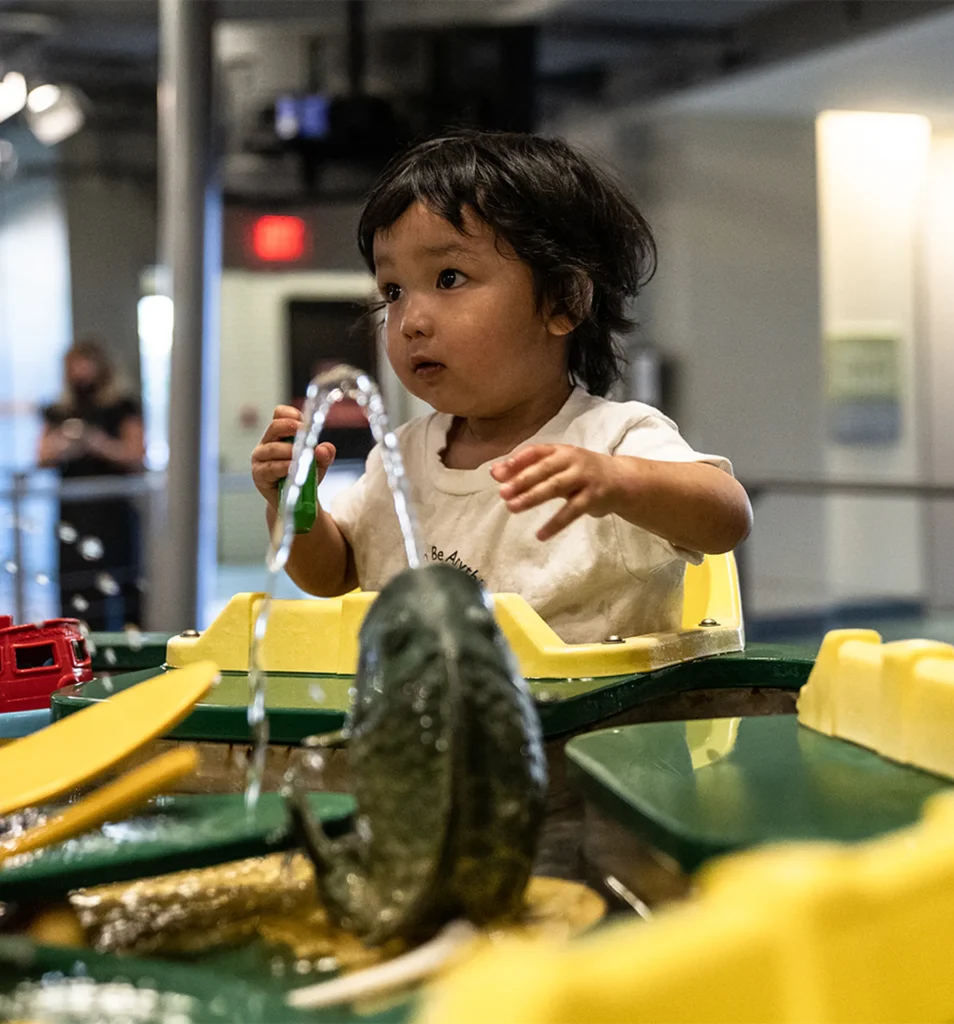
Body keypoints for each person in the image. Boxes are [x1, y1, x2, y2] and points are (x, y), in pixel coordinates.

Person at [252, 130, 751, 644]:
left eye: (449, 278)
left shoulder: (612, 440)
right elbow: (332, 574)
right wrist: (294, 503)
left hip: (598, 698)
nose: (411, 321)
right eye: (393, 291)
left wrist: (619, 482)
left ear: (563, 301)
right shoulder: (402, 457)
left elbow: (727, 516)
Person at [38, 339, 145, 631]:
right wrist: (64, 444)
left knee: (121, 585)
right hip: (73, 514)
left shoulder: (121, 407)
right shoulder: (58, 410)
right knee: (75, 585)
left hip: (113, 512)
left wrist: (98, 444)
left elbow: (136, 455)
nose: (80, 373)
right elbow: (42, 456)